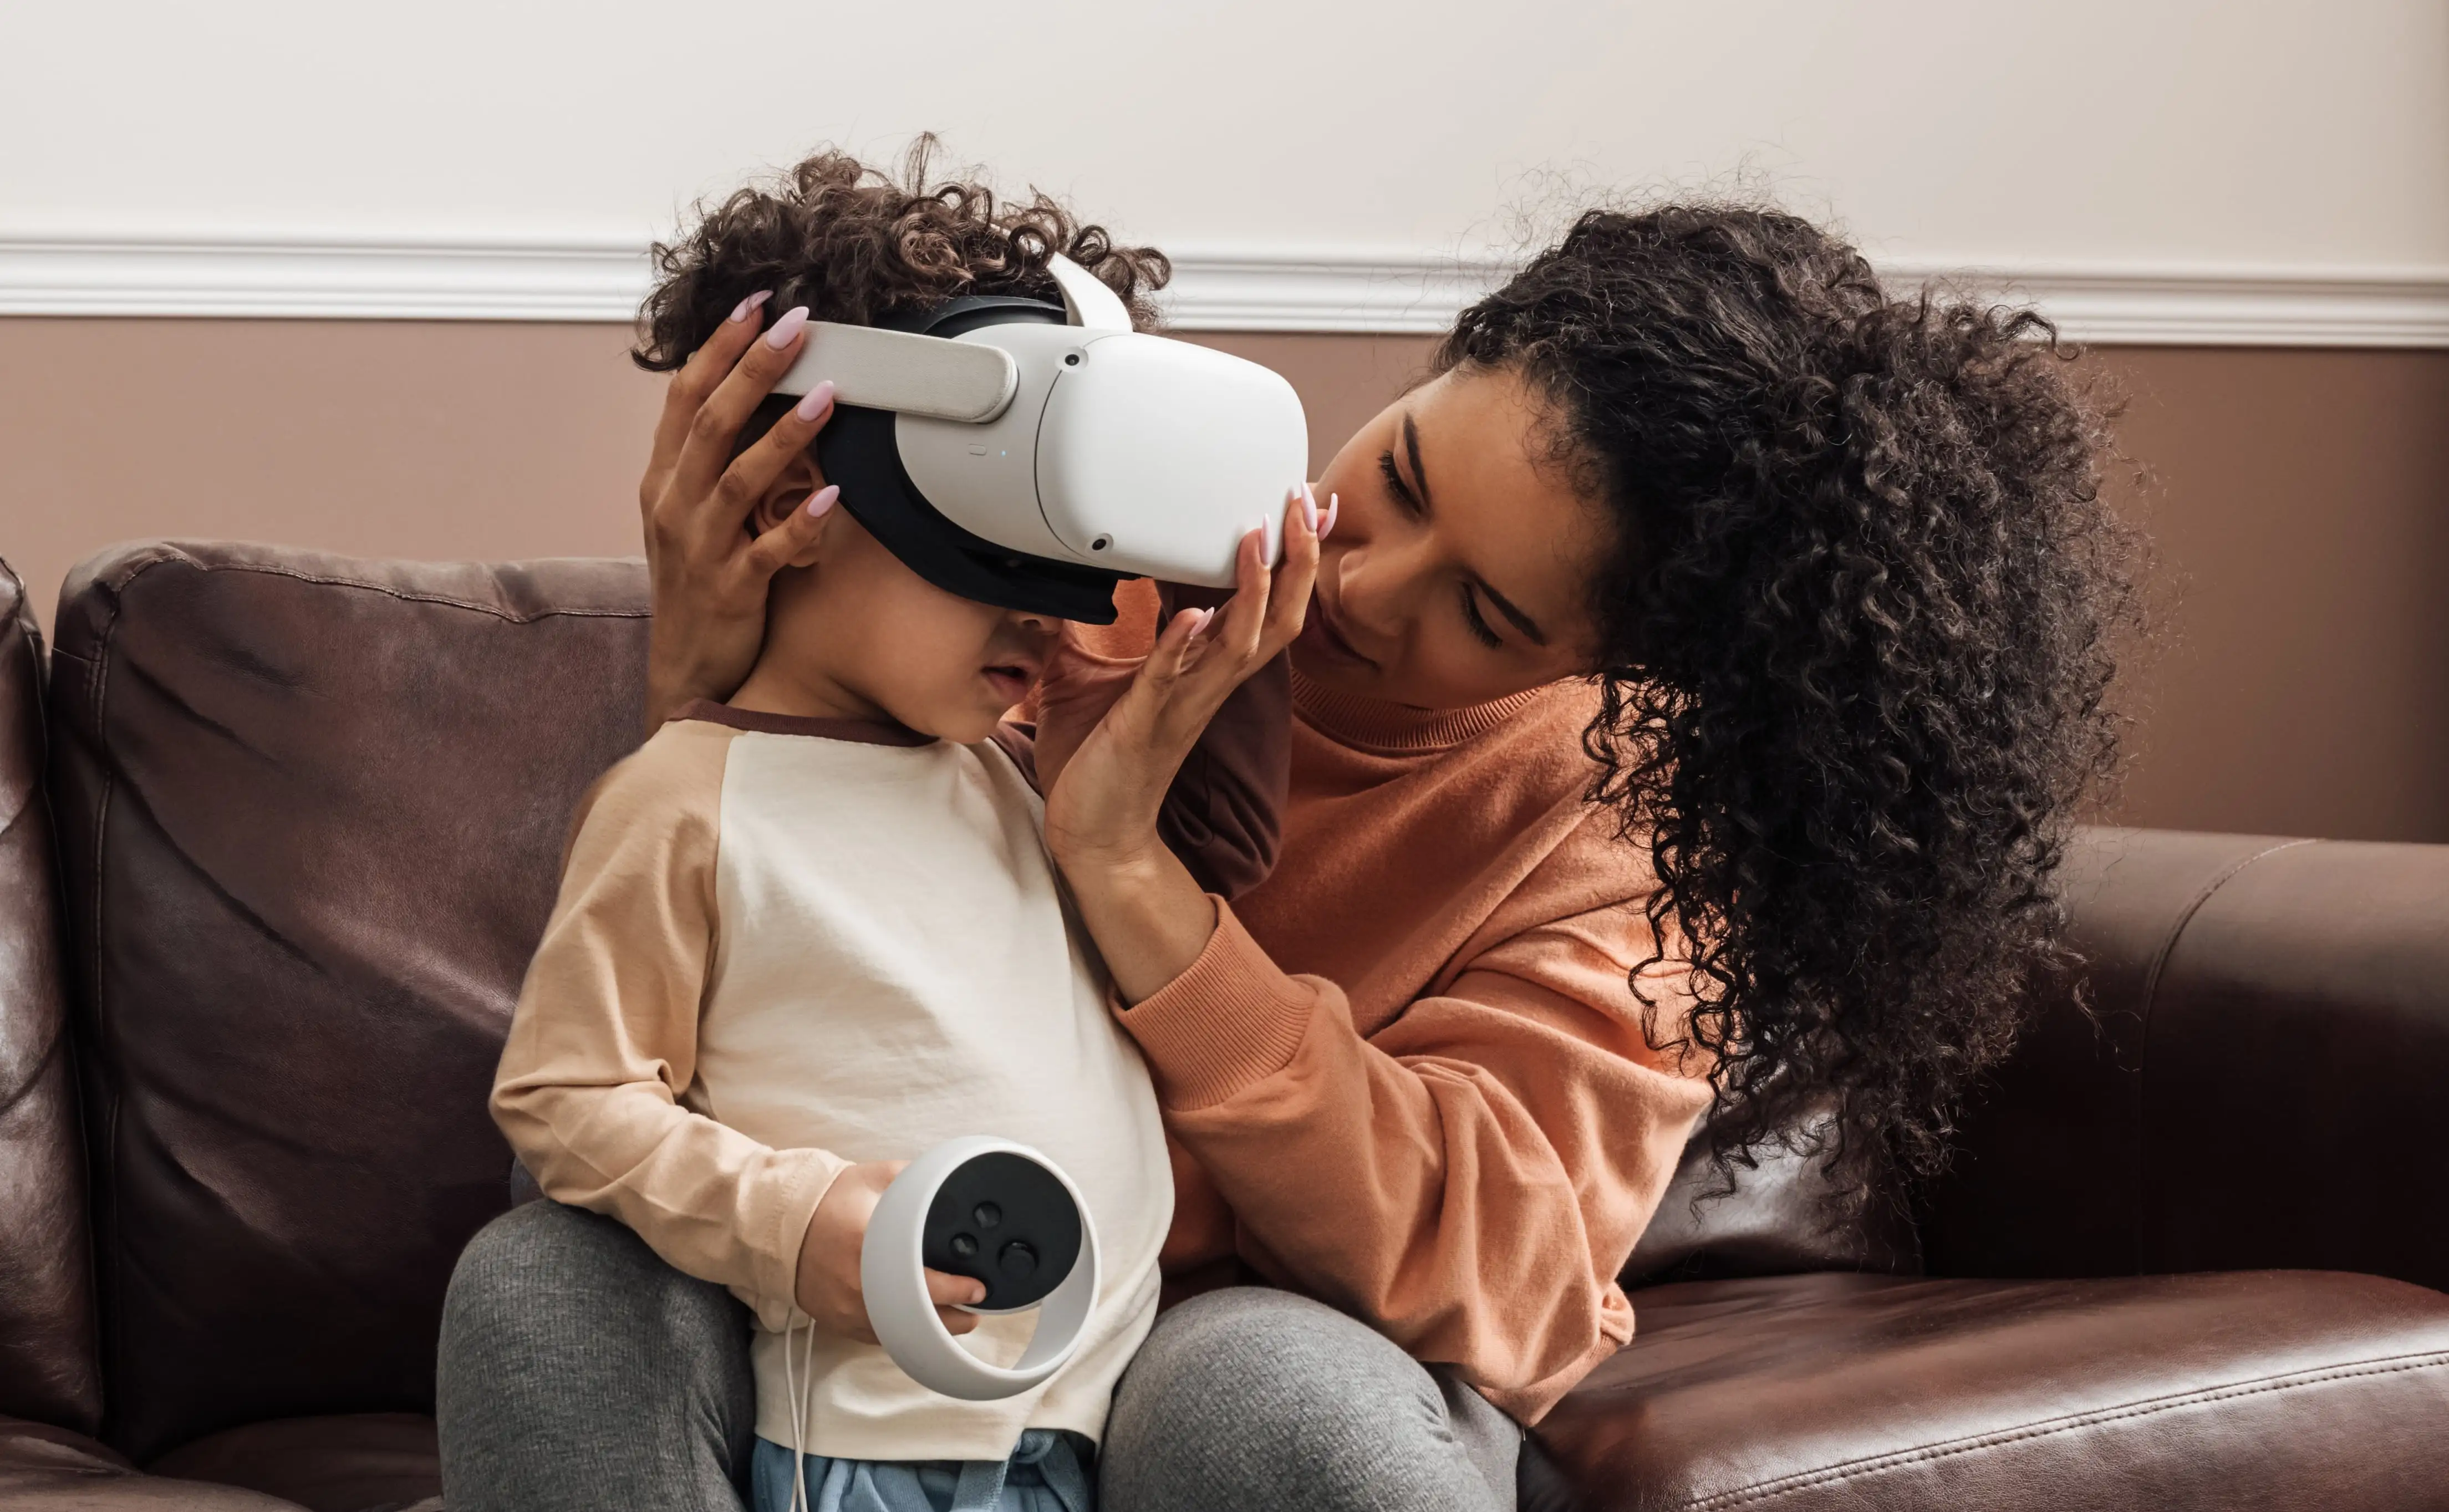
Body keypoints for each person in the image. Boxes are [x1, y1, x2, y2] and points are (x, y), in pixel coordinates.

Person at [440, 144, 2131, 1512]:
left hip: (1239, 1374)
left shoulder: (1613, 835)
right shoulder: (1075, 574)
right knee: (549, 1275)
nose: (1364, 588)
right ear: (1419, 379)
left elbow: (1507, 1276)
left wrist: (1135, 888)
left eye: (1485, 610)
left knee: (1249, 1374)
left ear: (1618, 668)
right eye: (1395, 476)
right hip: (879, 1318)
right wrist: (716, 680)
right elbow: (665, 1060)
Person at [474, 146, 1323, 1512]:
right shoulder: (687, 794)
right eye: (996, 563)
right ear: (789, 499)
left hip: (1088, 1433)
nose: (1053, 621)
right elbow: (565, 1098)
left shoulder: (1015, 778)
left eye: (1074, 578)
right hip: (867, 1448)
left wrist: (1217, 544)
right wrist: (796, 1224)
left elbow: (1216, 834)